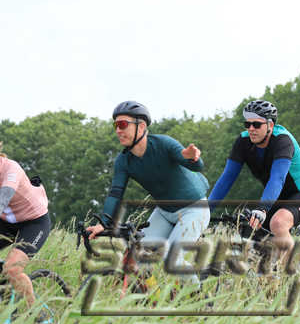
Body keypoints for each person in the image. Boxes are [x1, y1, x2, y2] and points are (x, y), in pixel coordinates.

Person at [86, 101, 210, 283]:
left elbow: (196, 165)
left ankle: (199, 298)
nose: (118, 130)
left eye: (123, 124)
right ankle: (150, 297)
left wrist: (193, 158)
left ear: (142, 126)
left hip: (194, 209)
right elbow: (115, 194)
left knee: (172, 258)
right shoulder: (123, 161)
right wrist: (104, 223)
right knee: (136, 258)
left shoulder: (164, 144)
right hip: (164, 213)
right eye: (115, 125)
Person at [208, 100, 300, 253]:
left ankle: (290, 268)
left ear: (270, 125)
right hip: (277, 195)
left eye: (256, 125)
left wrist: (262, 209)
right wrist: (206, 210)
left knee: (278, 223)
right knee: (249, 230)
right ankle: (268, 265)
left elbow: (277, 178)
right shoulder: (243, 142)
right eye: (247, 124)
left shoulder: (282, 141)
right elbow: (227, 178)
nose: (251, 129)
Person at [0, 144, 52, 324]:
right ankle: (7, 302)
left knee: (12, 268)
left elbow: (3, 199)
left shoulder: (11, 169)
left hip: (34, 223)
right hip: (6, 223)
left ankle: (38, 315)